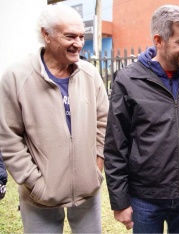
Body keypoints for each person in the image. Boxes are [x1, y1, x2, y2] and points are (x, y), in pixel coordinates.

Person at [104, 5, 179, 233]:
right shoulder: (127, 80)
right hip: (145, 199)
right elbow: (116, 145)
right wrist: (120, 201)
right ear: (159, 40)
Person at [0, 4, 109, 233]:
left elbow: (104, 123)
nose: (78, 43)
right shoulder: (16, 77)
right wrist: (35, 183)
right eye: (70, 36)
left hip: (87, 189)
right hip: (39, 196)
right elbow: (8, 137)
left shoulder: (90, 74)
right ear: (46, 34)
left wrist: (96, 165)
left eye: (81, 36)